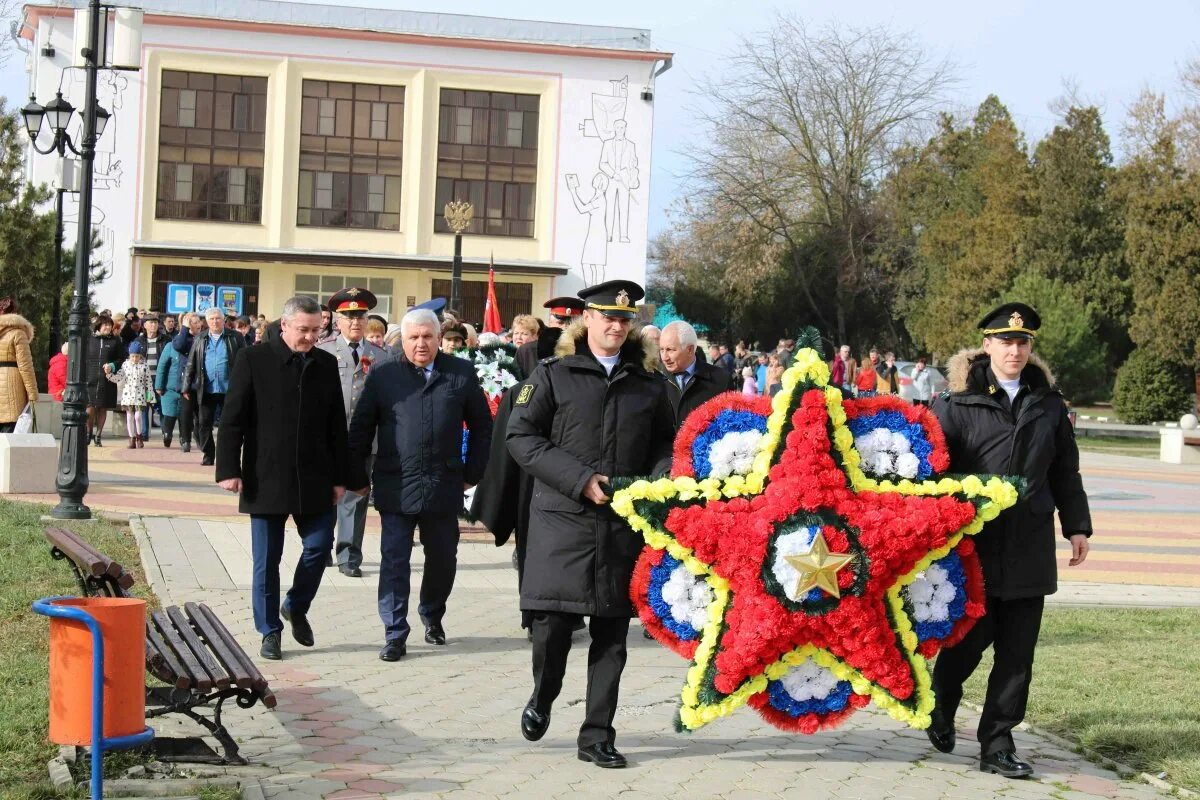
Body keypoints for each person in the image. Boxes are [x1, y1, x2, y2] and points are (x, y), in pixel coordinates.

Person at [506, 280, 674, 769]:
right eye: (607, 317)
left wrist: (657, 480)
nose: (616, 326)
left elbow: (668, 442)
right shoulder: (553, 374)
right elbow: (521, 436)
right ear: (587, 320)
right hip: (563, 523)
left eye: (624, 319)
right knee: (553, 628)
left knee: (611, 634)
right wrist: (579, 479)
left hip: (621, 526)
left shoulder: (648, 383)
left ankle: (597, 735)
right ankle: (543, 696)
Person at [928, 302, 1092, 779]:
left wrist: (1077, 525)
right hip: (974, 546)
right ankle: (943, 700)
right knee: (967, 642)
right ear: (987, 346)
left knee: (1017, 655)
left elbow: (1065, 470)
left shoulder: (1050, 405)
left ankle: (997, 743)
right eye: (1005, 341)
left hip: (1030, 544)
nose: (1014, 350)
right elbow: (932, 472)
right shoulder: (955, 403)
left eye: (1022, 342)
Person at [347, 307, 492, 662]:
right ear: (403, 340)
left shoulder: (459, 372)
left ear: (439, 339)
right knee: (394, 560)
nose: (421, 344)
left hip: (444, 483)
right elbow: (361, 429)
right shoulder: (384, 374)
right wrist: (356, 477)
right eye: (413, 337)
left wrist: (472, 474)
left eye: (428, 337)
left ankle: (432, 614)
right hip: (396, 484)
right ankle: (395, 632)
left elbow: (482, 426)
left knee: (443, 558)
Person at [216, 295, 348, 661]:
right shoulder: (253, 359)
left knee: (320, 547)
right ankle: (269, 630)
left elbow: (337, 425)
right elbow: (232, 418)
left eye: (315, 331)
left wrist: (341, 476)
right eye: (302, 330)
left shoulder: (325, 363)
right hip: (266, 475)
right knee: (266, 560)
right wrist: (229, 468)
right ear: (284, 325)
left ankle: (296, 605)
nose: (309, 337)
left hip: (315, 476)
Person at [317, 288, 389, 578]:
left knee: (356, 497)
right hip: (329, 439)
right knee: (325, 496)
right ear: (337, 319)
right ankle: (321, 548)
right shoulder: (324, 350)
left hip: (364, 441)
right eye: (348, 316)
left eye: (360, 315)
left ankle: (349, 555)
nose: (355, 321)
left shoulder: (381, 356)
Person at [182, 307, 247, 466]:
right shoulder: (200, 339)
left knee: (229, 424)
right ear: (207, 322)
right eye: (212, 319)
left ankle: (228, 456)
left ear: (224, 320)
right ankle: (208, 454)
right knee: (204, 424)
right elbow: (191, 363)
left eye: (218, 318)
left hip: (229, 389)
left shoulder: (236, 337)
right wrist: (185, 386)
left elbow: (246, 362)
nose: (215, 321)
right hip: (207, 389)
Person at [660, 320, 731, 427]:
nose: (664, 357)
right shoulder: (655, 380)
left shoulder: (721, 380)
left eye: (670, 350)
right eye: (661, 350)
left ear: (689, 349)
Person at [516, 297, 585, 379]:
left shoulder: (585, 352)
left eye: (571, 324)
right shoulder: (527, 351)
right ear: (550, 322)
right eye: (560, 323)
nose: (565, 328)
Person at [0, 298, 40, 433]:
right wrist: (33, 393)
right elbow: (26, 366)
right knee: (10, 433)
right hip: (12, 386)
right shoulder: (18, 333)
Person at [85, 315, 126, 445]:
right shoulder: (90, 339)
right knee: (90, 406)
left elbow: (121, 359)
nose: (108, 327)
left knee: (102, 408)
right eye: (105, 325)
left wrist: (112, 366)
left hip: (107, 380)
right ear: (99, 326)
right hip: (90, 379)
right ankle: (88, 432)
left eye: (110, 325)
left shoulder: (115, 340)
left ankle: (98, 435)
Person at [109, 340, 153, 449]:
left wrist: (149, 395)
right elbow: (119, 377)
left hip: (140, 395)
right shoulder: (125, 365)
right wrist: (109, 375)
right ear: (130, 355)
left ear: (140, 356)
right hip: (128, 394)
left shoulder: (144, 366)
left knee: (138, 416)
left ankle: (139, 436)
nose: (135, 359)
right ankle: (131, 438)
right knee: (129, 416)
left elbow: (148, 381)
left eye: (137, 356)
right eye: (133, 356)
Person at [171, 313, 204, 453]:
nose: (196, 324)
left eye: (198, 321)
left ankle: (200, 438)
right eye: (193, 322)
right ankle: (185, 440)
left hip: (202, 381)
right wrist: (184, 328)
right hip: (187, 382)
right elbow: (178, 346)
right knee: (186, 412)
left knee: (201, 414)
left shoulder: (204, 337)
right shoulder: (182, 338)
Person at [137, 314, 167, 442]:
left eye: (155, 322)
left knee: (162, 407)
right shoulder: (139, 341)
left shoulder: (166, 340)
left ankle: (166, 433)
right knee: (144, 406)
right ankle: (144, 433)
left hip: (160, 379)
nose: (153, 325)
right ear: (145, 325)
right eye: (150, 322)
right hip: (145, 380)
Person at [155, 325, 186, 448]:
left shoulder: (194, 344)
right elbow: (162, 366)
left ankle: (184, 438)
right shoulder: (169, 346)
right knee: (169, 414)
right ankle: (167, 434)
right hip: (169, 388)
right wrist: (159, 385)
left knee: (184, 416)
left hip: (186, 388)